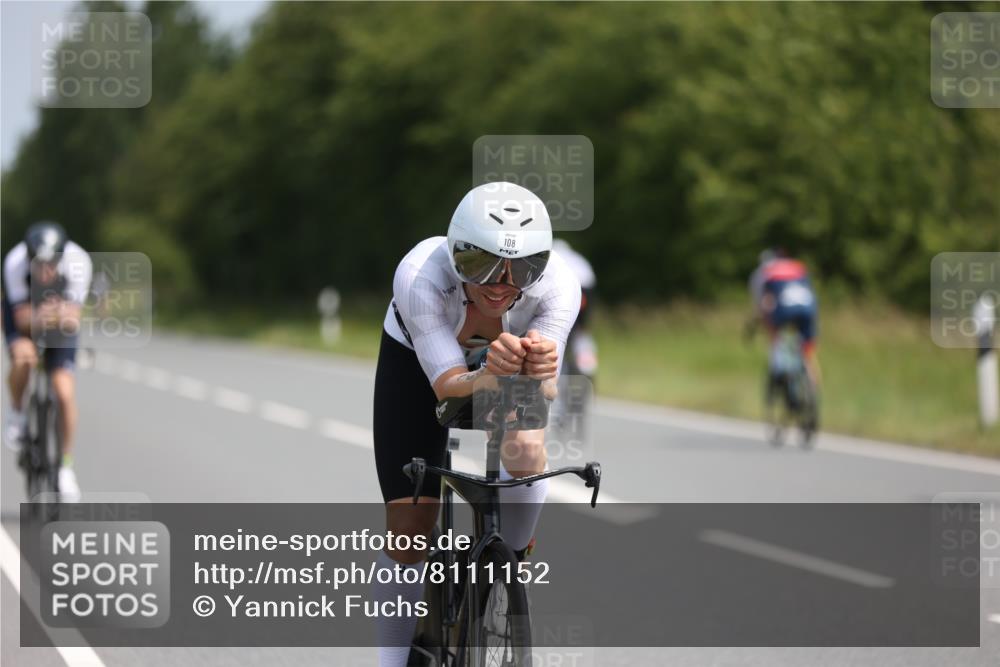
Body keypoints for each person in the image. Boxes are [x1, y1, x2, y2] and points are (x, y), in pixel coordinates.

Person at [372, 182, 580, 667]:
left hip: (499, 370)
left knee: (527, 451)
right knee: (410, 528)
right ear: (454, 252)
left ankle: (508, 562)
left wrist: (535, 371)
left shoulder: (558, 287)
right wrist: (489, 370)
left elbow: (545, 393)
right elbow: (445, 387)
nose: (501, 282)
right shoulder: (421, 273)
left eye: (522, 268)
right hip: (421, 364)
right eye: (480, 264)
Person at [2, 221, 92, 501]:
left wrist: (51, 315)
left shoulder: (78, 261)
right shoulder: (15, 262)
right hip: (24, 314)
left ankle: (65, 468)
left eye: (51, 264)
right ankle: (17, 413)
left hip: (60, 326)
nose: (45, 271)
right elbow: (22, 319)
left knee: (64, 392)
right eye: (38, 265)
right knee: (24, 357)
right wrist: (48, 314)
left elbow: (71, 319)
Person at [748, 248, 821, 391]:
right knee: (807, 352)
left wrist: (757, 321)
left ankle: (779, 368)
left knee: (774, 335)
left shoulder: (767, 274)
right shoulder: (798, 267)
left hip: (783, 310)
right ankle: (813, 390)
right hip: (808, 309)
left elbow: (765, 302)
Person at [551, 238, 597, 376]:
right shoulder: (579, 259)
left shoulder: (551, 257)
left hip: (566, 291)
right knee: (581, 332)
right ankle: (586, 362)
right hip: (586, 294)